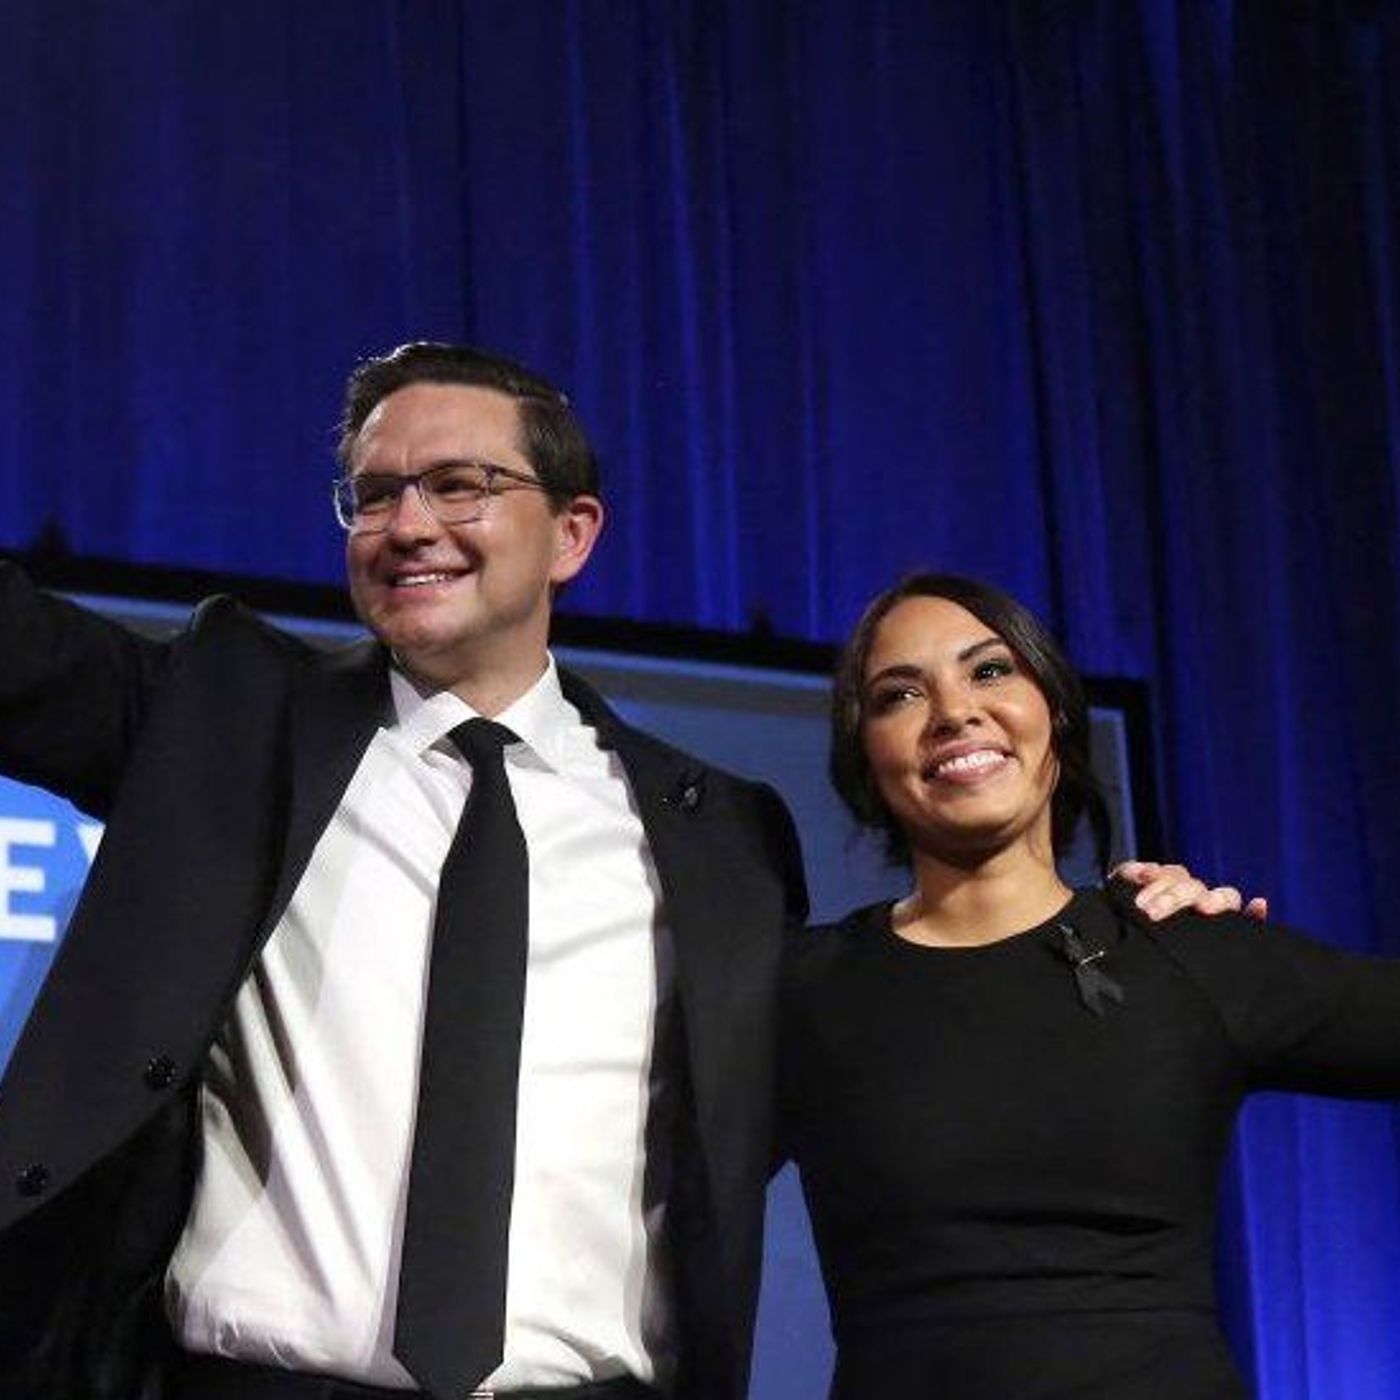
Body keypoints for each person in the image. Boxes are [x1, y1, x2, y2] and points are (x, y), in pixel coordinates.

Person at [0, 344, 1235, 1400]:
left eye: (460, 484)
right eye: (372, 495)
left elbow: (904, 1022)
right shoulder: (231, 723)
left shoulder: (722, 838)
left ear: (571, 532)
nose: (409, 525)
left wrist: (1126, 931)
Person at [781, 572, 1400, 1398]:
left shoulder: (1179, 947)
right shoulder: (807, 990)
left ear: (1057, 715)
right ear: (864, 755)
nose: (955, 710)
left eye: (990, 671)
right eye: (899, 694)